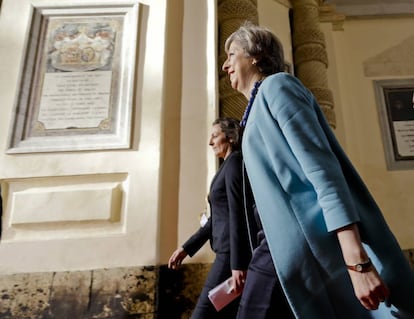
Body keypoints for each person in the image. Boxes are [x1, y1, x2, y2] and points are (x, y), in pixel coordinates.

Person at [222, 22, 414, 319]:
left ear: (256, 55)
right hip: (275, 249)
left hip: (301, 252)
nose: (225, 65)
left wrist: (357, 262)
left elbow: (323, 172)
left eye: (232, 54)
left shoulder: (278, 86)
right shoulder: (256, 107)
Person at [168, 117, 257, 319]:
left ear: (231, 137)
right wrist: (186, 248)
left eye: (215, 136)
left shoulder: (235, 163)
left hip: (229, 256)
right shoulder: (226, 167)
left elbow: (238, 214)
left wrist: (237, 265)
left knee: (202, 314)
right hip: (226, 252)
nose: (210, 142)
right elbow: (215, 219)